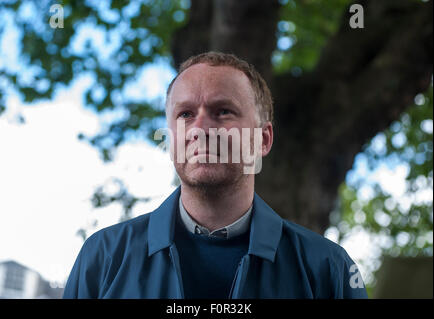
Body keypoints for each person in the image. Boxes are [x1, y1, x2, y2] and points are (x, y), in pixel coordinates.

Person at [63, 51, 368, 299]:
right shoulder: (103, 259)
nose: (200, 129)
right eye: (185, 114)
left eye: (223, 111)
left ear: (263, 140)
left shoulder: (329, 270)